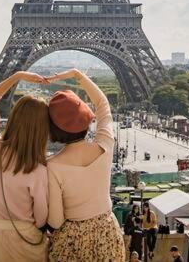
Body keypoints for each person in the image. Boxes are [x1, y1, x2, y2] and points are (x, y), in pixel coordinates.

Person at [0, 70, 50, 262]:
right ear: (42, 129)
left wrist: (17, 76)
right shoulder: (37, 169)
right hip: (24, 241)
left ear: (13, 118)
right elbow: (41, 217)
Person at [46, 68, 125, 262]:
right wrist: (78, 75)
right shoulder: (104, 147)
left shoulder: (53, 166)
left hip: (72, 241)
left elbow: (55, 221)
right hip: (107, 233)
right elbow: (103, 104)